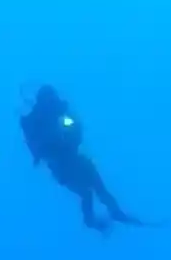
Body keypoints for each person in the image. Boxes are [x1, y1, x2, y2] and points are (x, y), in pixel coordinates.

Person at [20, 86, 142, 232]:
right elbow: (48, 144)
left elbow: (75, 132)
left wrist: (70, 133)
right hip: (63, 164)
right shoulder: (37, 120)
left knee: (92, 188)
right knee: (90, 190)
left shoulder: (53, 115)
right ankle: (103, 217)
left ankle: (109, 215)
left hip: (69, 161)